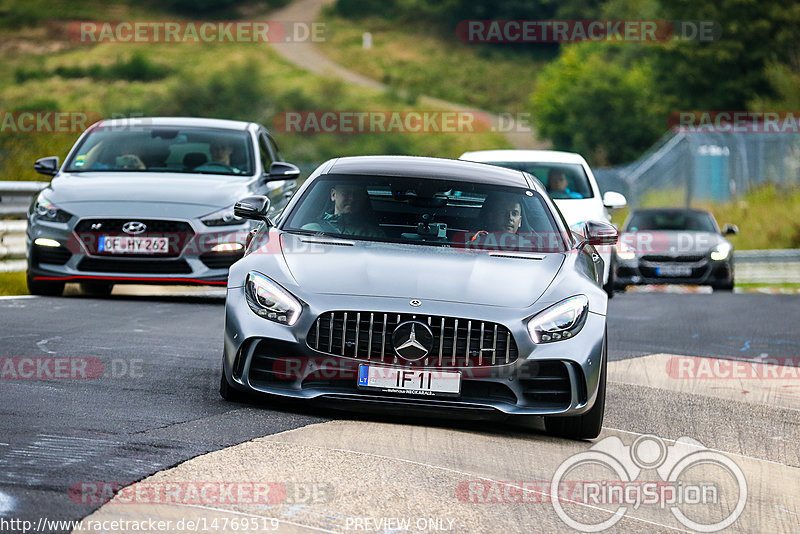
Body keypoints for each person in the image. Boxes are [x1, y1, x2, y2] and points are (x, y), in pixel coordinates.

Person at [301, 182, 385, 238]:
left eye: (358, 194)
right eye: (346, 193)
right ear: (333, 195)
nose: (352, 198)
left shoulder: (374, 235)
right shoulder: (310, 230)